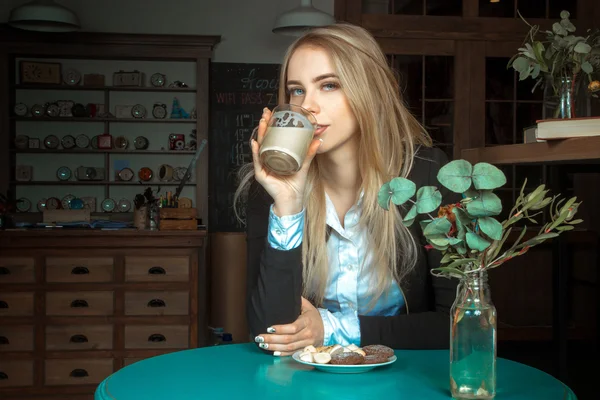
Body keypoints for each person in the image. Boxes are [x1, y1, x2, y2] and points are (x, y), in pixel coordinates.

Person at [234, 23, 460, 357]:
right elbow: (270, 334)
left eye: (329, 85)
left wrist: (333, 327)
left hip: (408, 379)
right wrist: (289, 203)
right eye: (296, 91)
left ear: (369, 90)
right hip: (308, 382)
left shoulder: (427, 176)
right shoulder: (268, 189)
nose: (308, 105)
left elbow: (458, 322)